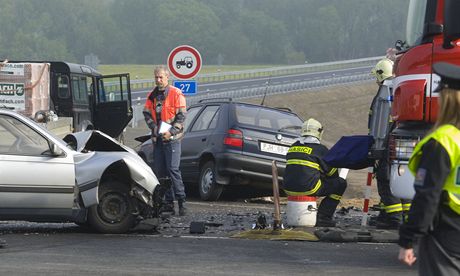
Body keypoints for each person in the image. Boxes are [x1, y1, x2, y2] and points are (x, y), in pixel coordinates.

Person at [398, 62, 460, 274]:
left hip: (447, 233)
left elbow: (427, 196)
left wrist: (408, 238)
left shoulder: (444, 141)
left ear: (447, 100)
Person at [369, 57, 411, 229]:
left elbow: (374, 124)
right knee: (405, 177)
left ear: (380, 74)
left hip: (387, 143)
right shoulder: (402, 88)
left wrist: (376, 149)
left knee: (385, 180)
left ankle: (394, 220)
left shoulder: (383, 93)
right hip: (407, 140)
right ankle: (407, 218)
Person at [283, 118, 347, 227]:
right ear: (319, 132)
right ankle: (323, 217)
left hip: (288, 188)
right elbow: (332, 174)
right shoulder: (320, 149)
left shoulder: (293, 147)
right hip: (309, 188)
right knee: (340, 184)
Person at [143, 66, 187, 216]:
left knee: (173, 170)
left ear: (167, 77)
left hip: (173, 139)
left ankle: (182, 202)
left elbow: (181, 116)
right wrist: (154, 129)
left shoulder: (176, 93)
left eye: (161, 77)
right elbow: (147, 114)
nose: (158, 80)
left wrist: (171, 132)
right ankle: (168, 203)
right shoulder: (152, 96)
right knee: (160, 172)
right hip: (158, 139)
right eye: (156, 77)